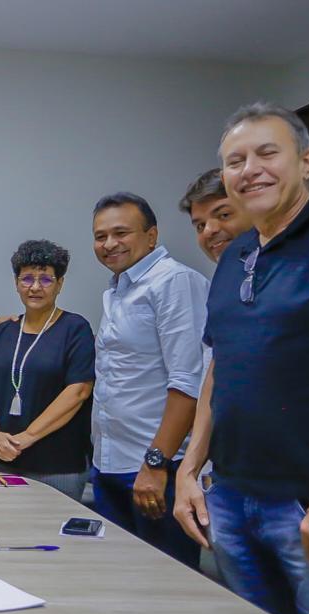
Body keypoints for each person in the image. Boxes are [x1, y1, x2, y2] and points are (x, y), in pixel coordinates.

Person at [173, 102, 309, 614]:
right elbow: (223, 365)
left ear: (308, 160)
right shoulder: (236, 253)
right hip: (232, 501)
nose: (249, 169)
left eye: (268, 152)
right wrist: (189, 469)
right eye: (235, 160)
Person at [90, 192, 208, 569]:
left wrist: (155, 464)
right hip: (111, 463)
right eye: (100, 236)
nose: (109, 244)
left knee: (165, 583)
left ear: (152, 235)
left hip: (154, 467)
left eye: (121, 233)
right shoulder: (118, 289)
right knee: (119, 578)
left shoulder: (173, 282)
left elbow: (188, 382)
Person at [0, 242, 94, 501]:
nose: (35, 287)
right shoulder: (5, 330)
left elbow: (78, 392)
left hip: (55, 466)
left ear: (60, 284)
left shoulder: (75, 329)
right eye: (27, 278)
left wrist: (27, 437)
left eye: (46, 279)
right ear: (16, 283)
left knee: (51, 537)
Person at [178, 168, 253, 263]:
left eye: (224, 215)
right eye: (201, 225)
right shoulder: (225, 276)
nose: (208, 231)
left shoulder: (276, 269)